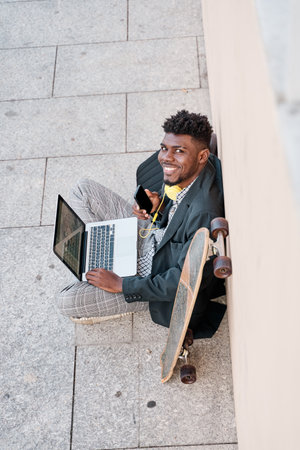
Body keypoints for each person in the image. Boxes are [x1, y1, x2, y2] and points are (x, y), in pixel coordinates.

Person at [57, 110, 226, 338]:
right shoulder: (196, 171)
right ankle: (106, 252)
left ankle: (115, 282)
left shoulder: (203, 213)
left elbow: (185, 280)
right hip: (150, 236)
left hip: (149, 278)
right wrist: (159, 209)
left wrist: (122, 285)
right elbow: (175, 218)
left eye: (179, 151)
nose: (166, 157)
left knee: (66, 300)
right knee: (82, 190)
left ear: (203, 156)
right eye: (165, 148)